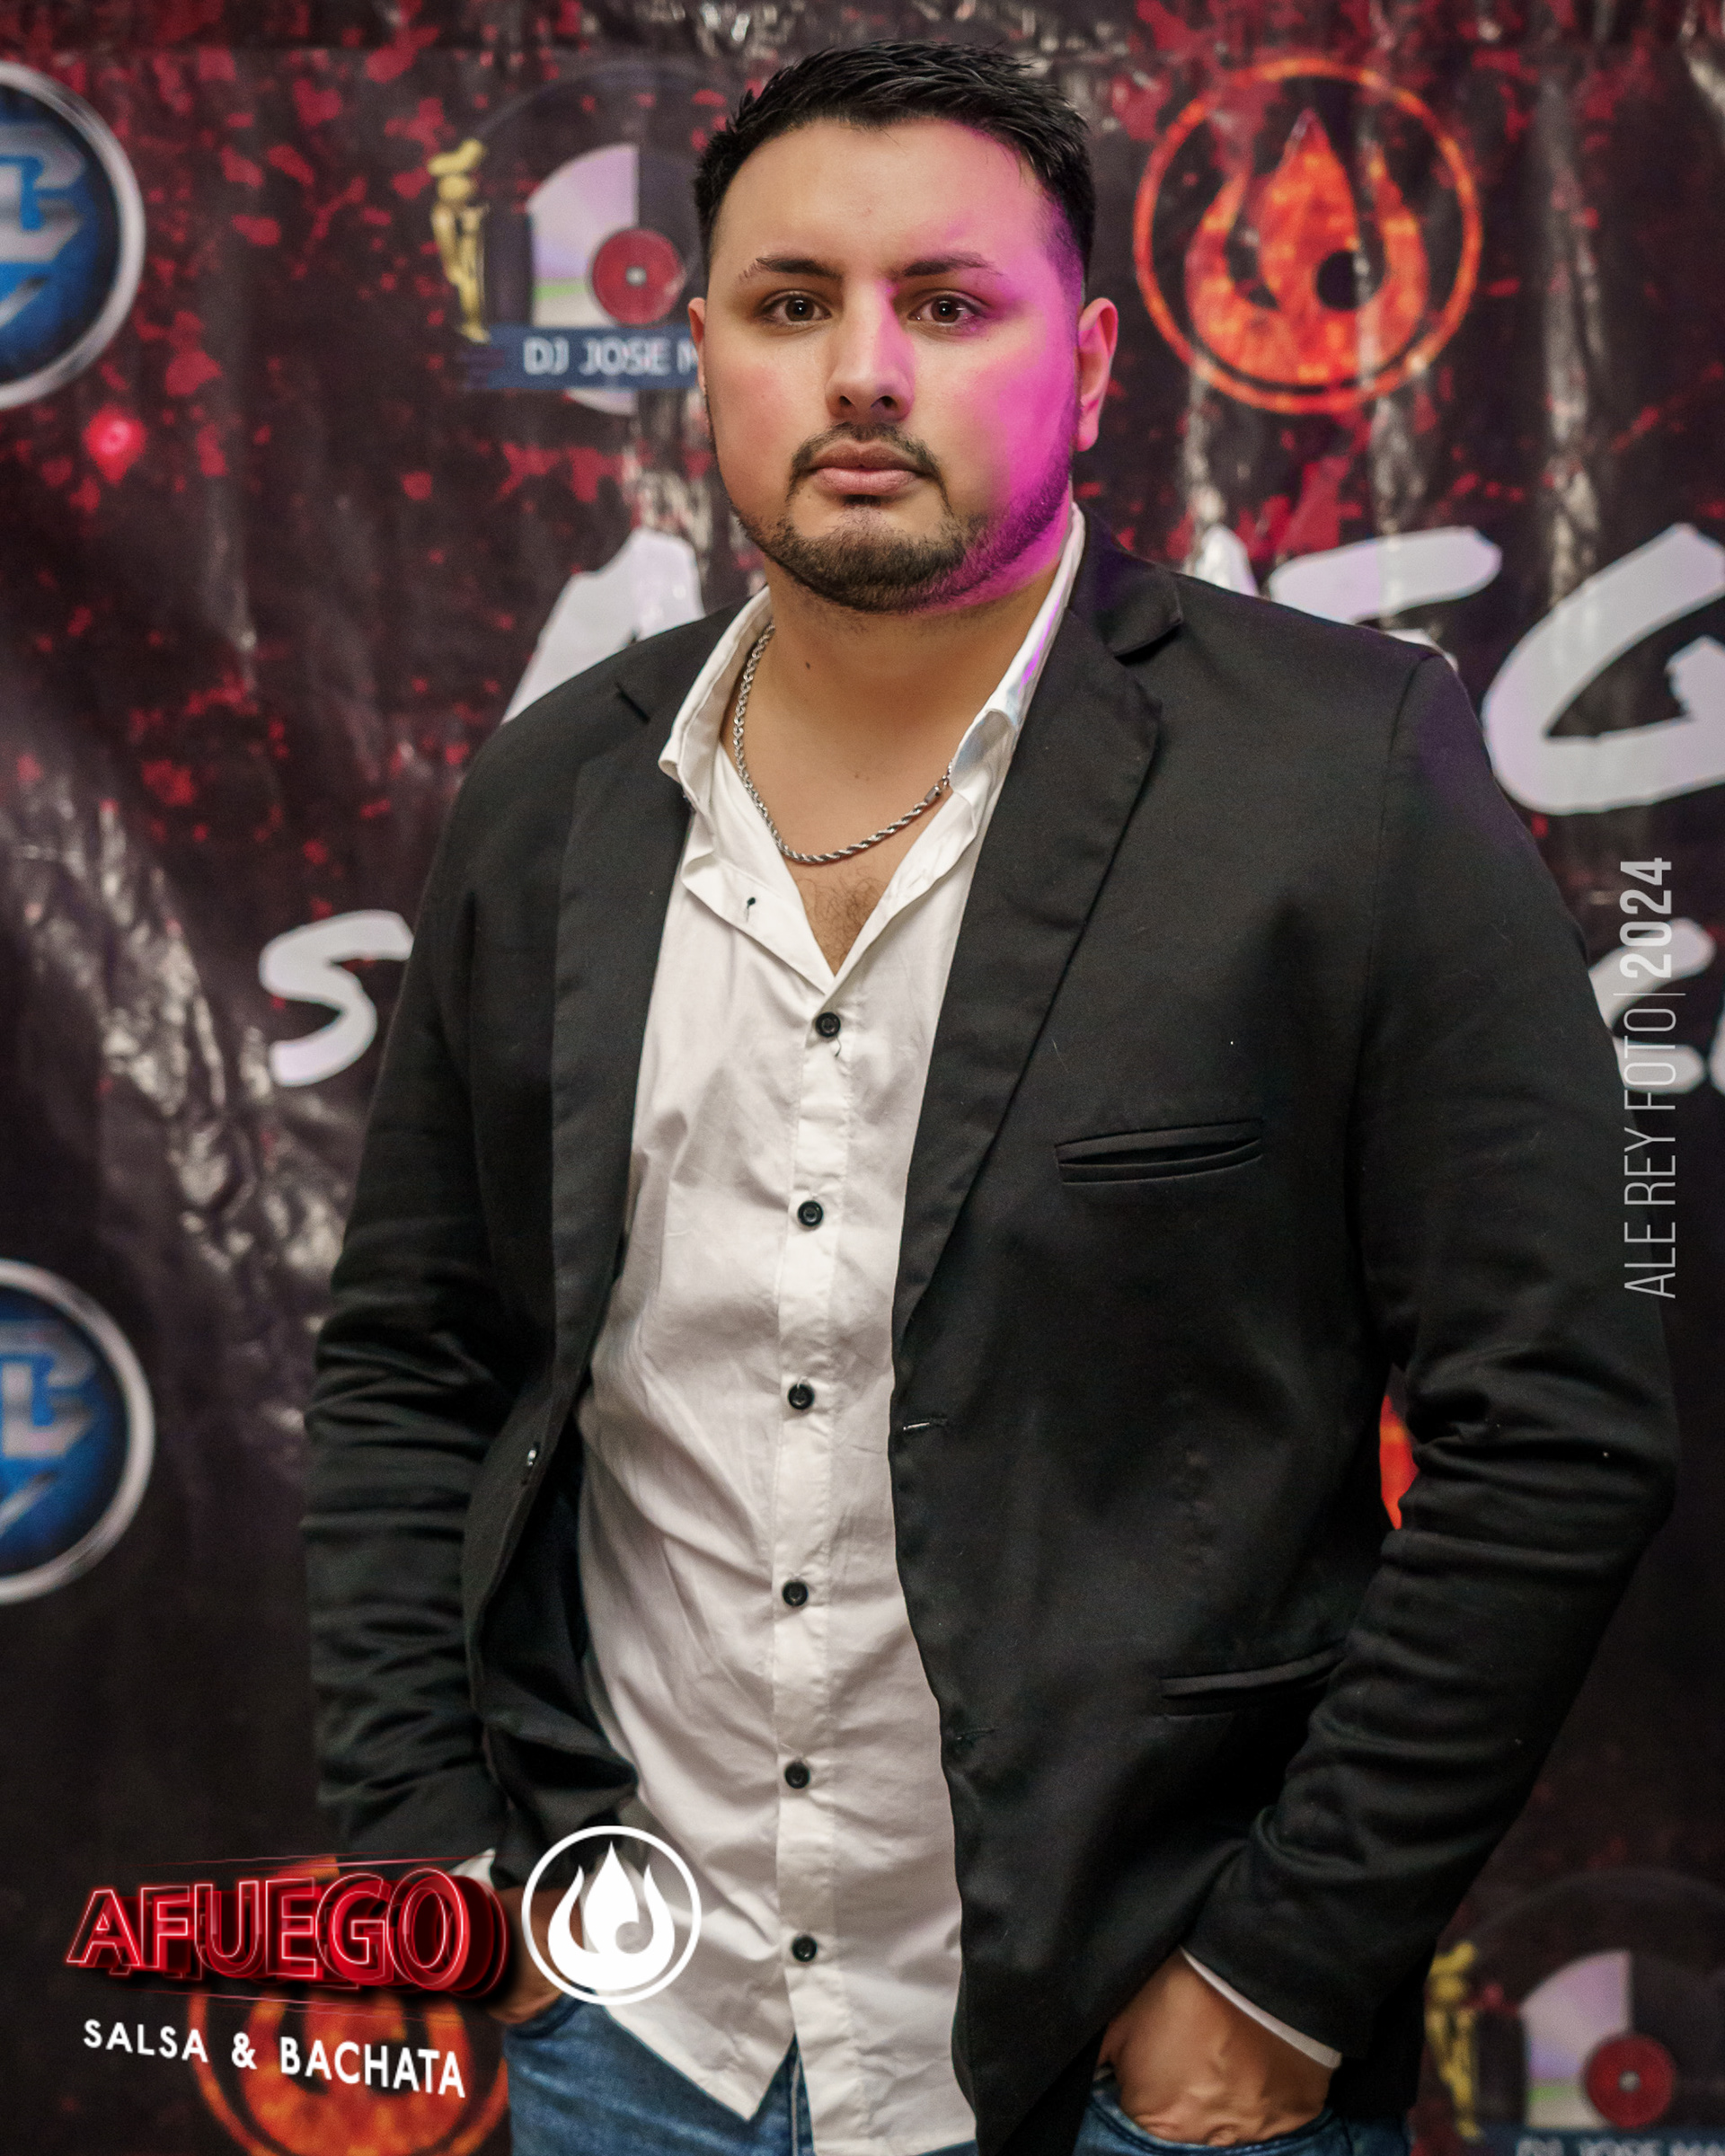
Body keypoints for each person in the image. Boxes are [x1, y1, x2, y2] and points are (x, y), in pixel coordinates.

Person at [302, 41, 1676, 2156]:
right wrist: (443, 1867)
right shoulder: (553, 794)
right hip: (636, 2043)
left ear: (1093, 365)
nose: (866, 371)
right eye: (792, 303)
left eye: (946, 303)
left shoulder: (1346, 771)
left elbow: (1557, 1424)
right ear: (701, 353)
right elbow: (414, 1360)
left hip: (1134, 2056)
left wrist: (1285, 1975)